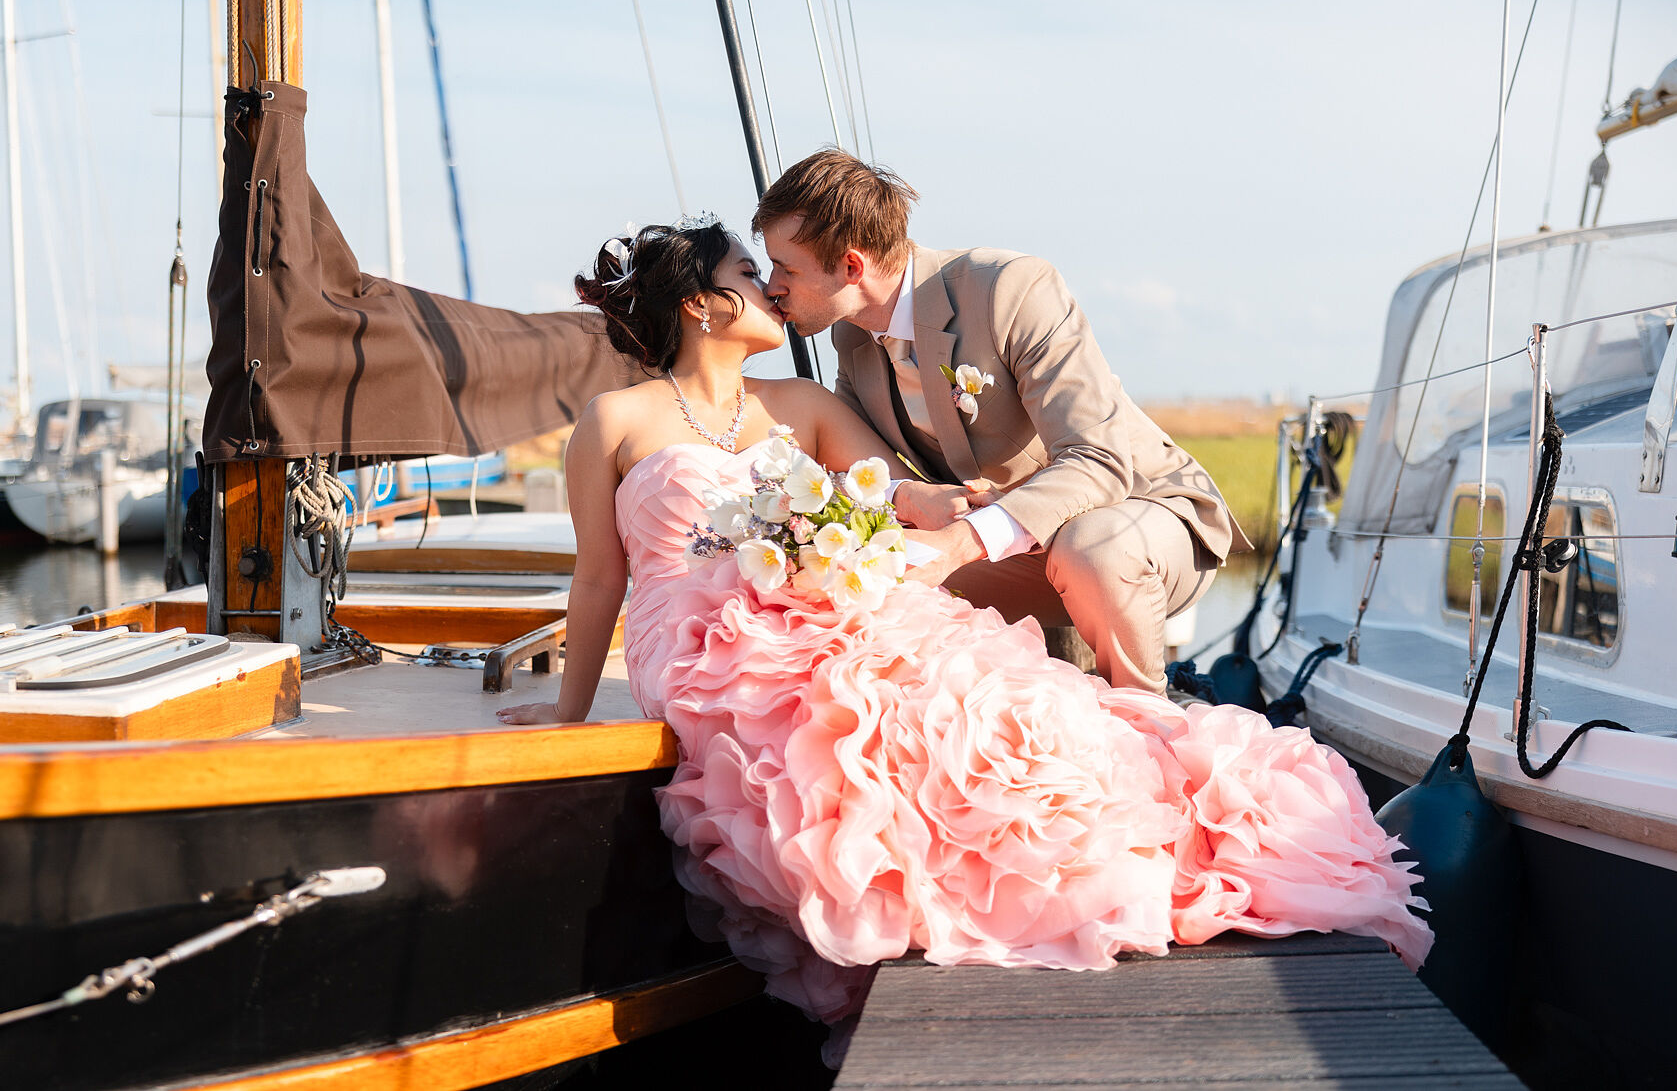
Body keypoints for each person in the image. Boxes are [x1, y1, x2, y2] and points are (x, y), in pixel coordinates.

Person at [498, 215, 1431, 1027]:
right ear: (701, 306)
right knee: (833, 731)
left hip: (815, 601)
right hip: (702, 642)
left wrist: (959, 507)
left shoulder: (804, 403)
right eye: (749, 275)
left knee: (976, 710)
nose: (771, 290)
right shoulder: (613, 420)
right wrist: (571, 708)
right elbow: (596, 577)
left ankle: (1071, 860)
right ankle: (914, 891)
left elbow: (893, 494)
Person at [754, 150, 1251, 695]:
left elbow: (1101, 462)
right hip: (1020, 555)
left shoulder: (1010, 288)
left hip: (1140, 519)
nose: (771, 285)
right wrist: (909, 503)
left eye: (785, 267)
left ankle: (1144, 725)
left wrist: (963, 540)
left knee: (1091, 546)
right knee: (861, 575)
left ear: (851, 266)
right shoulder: (851, 338)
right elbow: (872, 471)